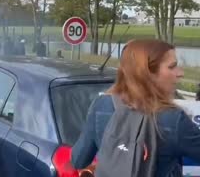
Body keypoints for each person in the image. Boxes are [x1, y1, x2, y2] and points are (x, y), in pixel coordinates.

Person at [71, 39, 200, 176]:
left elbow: (78, 160)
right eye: (172, 66)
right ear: (147, 73)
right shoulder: (173, 119)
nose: (180, 73)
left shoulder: (101, 105)